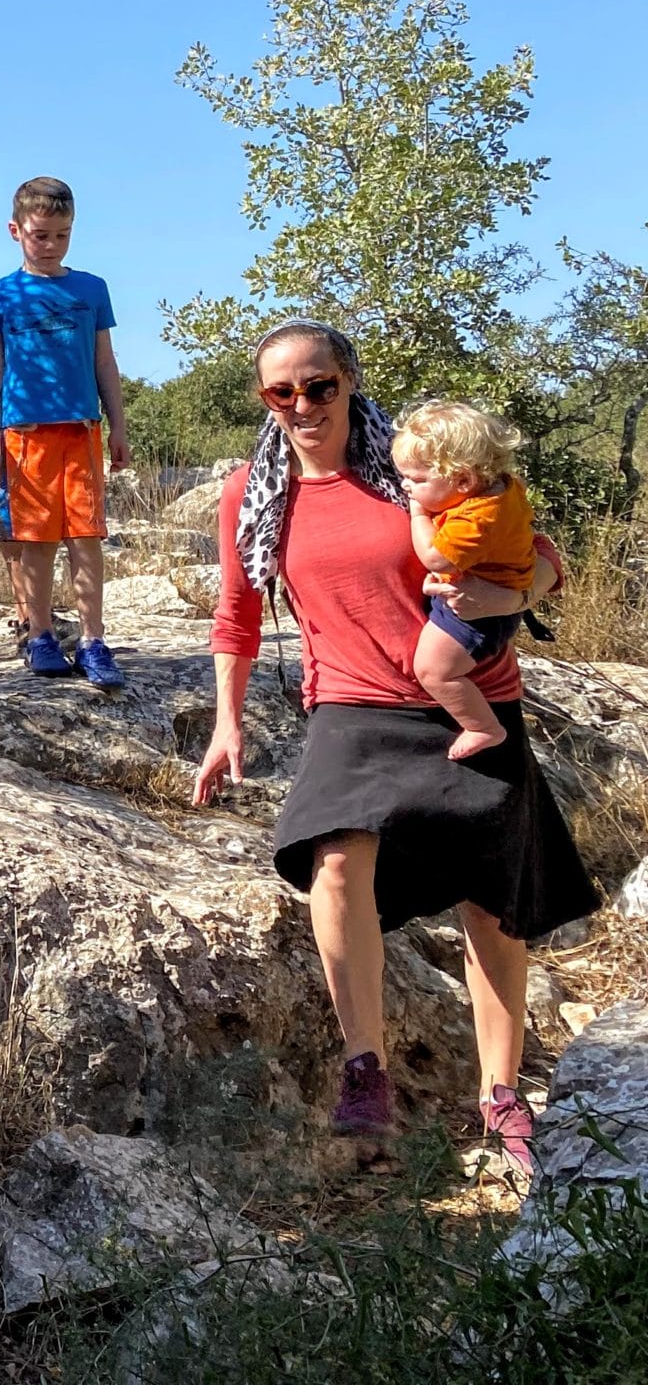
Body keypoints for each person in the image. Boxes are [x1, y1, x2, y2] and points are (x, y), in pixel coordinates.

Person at [191, 320, 596, 1174]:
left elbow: (542, 561)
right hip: (351, 703)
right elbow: (237, 615)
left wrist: (520, 588)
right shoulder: (252, 492)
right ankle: (364, 1070)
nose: (302, 406)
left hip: (470, 701)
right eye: (281, 392)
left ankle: (500, 1094)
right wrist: (226, 724)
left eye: (319, 387)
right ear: (265, 399)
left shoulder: (415, 468)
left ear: (348, 382)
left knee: (491, 901)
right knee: (333, 857)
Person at [0, 176, 131, 688]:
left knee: (86, 537)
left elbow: (104, 361)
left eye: (61, 235)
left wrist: (119, 427)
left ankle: (93, 640)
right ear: (16, 230)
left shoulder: (91, 288)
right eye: (40, 235)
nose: (50, 244)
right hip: (24, 433)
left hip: (81, 430)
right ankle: (39, 635)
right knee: (35, 540)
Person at [390, 400, 535, 761]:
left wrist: (419, 515)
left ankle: (483, 727)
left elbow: (435, 557)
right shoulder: (503, 487)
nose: (406, 486)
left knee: (433, 670)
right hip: (488, 594)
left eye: (418, 479)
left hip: (478, 612)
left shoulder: (476, 520)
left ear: (464, 480)